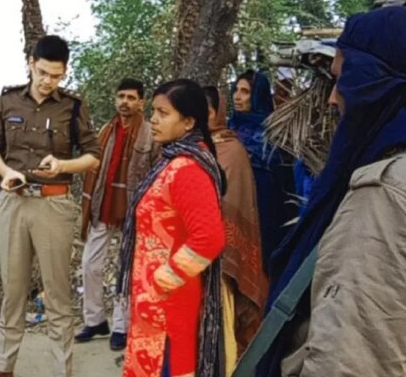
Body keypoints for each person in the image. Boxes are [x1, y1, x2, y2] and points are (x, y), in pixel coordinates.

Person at [256, 6, 406, 377]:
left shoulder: (386, 194)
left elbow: (350, 360)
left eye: (344, 80)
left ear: (376, 83)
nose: (332, 98)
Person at [0, 35, 101, 377]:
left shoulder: (73, 106)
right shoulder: (7, 101)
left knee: (58, 293)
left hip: (54, 204)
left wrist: (63, 166)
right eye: (43, 73)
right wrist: (5, 173)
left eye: (57, 75)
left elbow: (93, 156)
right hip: (14, 202)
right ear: (31, 64)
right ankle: (3, 367)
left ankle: (61, 369)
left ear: (64, 72)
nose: (49, 81)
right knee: (13, 290)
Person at [118, 79, 226, 377]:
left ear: (188, 121)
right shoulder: (172, 161)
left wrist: (165, 277)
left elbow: (210, 237)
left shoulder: (188, 170)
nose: (153, 119)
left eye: (163, 113)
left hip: (168, 302)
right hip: (156, 299)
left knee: (167, 367)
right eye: (153, 111)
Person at [75, 78, 156, 351]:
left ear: (141, 102)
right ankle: (95, 319)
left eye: (131, 97)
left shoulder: (150, 133)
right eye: (121, 96)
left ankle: (121, 326)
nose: (125, 102)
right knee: (89, 264)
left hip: (133, 211)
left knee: (125, 271)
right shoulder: (106, 131)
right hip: (104, 206)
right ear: (115, 99)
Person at [205, 86, 266, 358]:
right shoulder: (190, 148)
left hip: (222, 258)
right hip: (187, 258)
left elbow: (233, 203)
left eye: (204, 111)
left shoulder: (232, 150)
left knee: (221, 329)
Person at [230, 71, 296, 273]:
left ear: (257, 95)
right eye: (236, 90)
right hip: (235, 202)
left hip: (267, 204)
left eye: (245, 92)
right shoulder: (230, 128)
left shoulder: (273, 131)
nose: (237, 97)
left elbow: (284, 176)